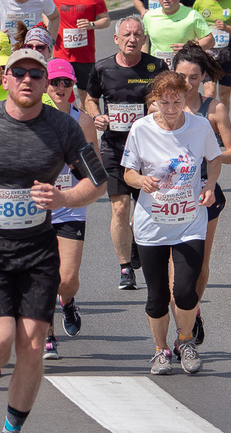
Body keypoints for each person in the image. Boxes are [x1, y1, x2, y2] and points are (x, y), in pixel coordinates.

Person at [0, 48, 105, 432]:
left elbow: (97, 181)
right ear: (5, 79)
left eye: (36, 74)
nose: (28, 79)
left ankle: (12, 427)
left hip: (38, 251)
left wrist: (63, 198)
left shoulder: (64, 128)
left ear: (45, 84)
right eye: (19, 72)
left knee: (31, 345)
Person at [122, 71, 221, 375]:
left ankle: (186, 341)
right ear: (155, 100)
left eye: (176, 100)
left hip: (189, 221)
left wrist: (208, 185)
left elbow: (214, 158)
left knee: (185, 290)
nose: (171, 107)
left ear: (184, 96)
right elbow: (127, 172)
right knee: (157, 295)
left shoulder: (200, 126)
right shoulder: (141, 129)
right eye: (164, 102)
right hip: (152, 225)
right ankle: (160, 350)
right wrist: (141, 180)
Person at [85, 15, 168, 290]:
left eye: (137, 35)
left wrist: (156, 109)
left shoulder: (157, 67)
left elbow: (169, 100)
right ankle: (124, 269)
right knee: (120, 208)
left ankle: (137, 242)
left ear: (144, 39)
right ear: (117, 38)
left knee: (145, 209)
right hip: (115, 148)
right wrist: (96, 116)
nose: (132, 39)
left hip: (149, 149)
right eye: (127, 35)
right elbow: (90, 99)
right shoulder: (102, 68)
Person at [169, 44, 231, 346]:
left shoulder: (213, 109)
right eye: (182, 75)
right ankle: (181, 328)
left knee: (200, 266)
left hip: (204, 196)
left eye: (194, 77)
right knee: (174, 273)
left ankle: (193, 310)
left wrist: (210, 156)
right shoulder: (161, 105)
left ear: (203, 78)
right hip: (171, 198)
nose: (187, 83)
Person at [42, 59, 99, 360]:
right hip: (39, 206)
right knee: (43, 276)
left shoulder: (83, 121)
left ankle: (68, 301)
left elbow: (95, 169)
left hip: (72, 204)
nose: (61, 88)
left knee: (67, 278)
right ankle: (47, 335)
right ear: (45, 84)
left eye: (66, 83)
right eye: (55, 82)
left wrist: (80, 184)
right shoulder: (35, 118)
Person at [51, 0, 110, 108]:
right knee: (62, 93)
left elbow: (106, 20)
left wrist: (92, 24)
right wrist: (49, 27)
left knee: (86, 95)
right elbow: (47, 16)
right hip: (62, 54)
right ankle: (66, 125)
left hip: (85, 56)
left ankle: (85, 126)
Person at [143, 0, 213, 68]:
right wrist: (143, 62)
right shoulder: (149, 16)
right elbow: (143, 40)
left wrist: (190, 48)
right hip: (157, 70)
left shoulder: (192, 15)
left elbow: (210, 40)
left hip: (184, 71)